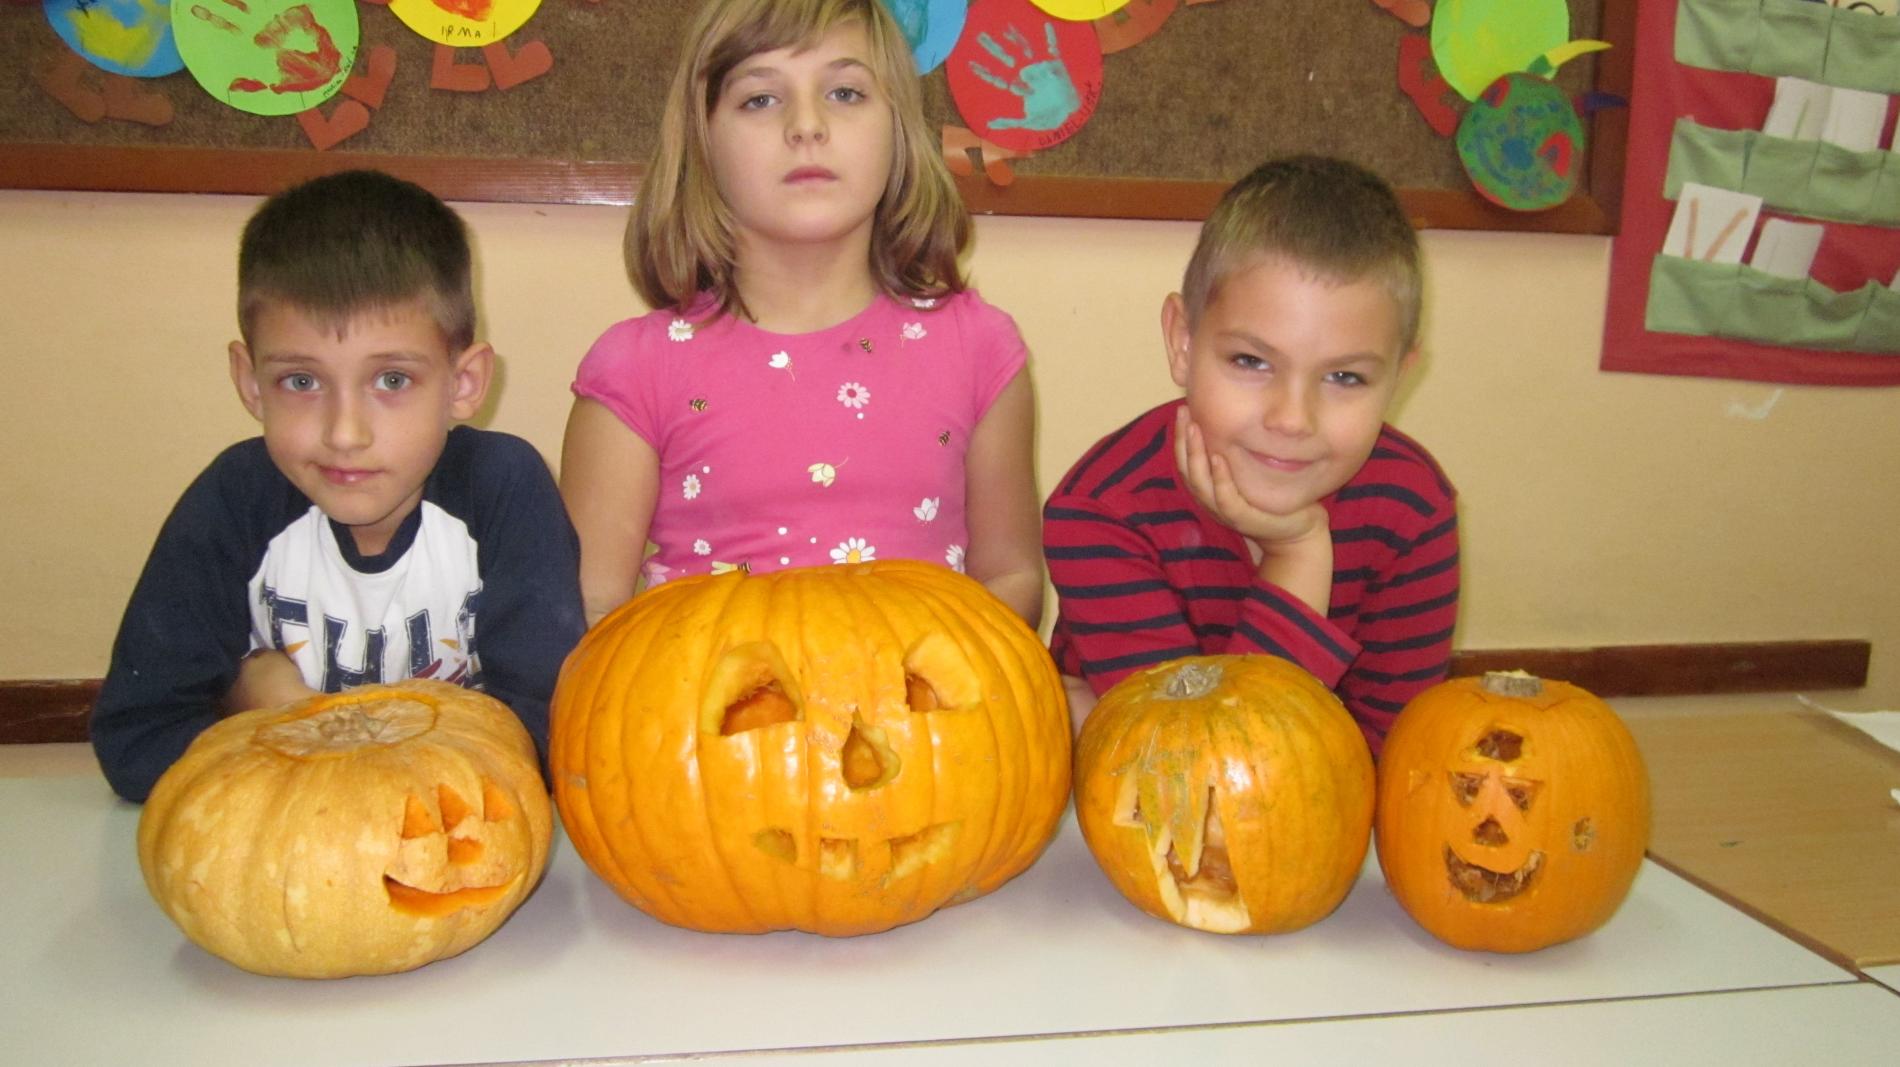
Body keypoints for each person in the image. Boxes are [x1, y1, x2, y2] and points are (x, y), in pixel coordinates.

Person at [91, 170, 586, 802]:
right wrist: (286, 734)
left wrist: (290, 713)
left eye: (392, 380)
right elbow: (136, 741)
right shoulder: (234, 502)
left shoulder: (504, 491)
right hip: (287, 836)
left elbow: (546, 742)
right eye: (301, 382)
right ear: (251, 383)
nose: (345, 434)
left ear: (463, 384)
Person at [560, 0, 1042, 628]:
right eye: (761, 99)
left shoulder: (979, 348)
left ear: (898, 129)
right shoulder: (635, 369)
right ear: (703, 141)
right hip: (708, 686)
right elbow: (592, 613)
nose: (807, 126)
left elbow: (1012, 575)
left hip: (920, 686)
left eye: (845, 93)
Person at [1043, 156, 1459, 754]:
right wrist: (1298, 555)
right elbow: (1194, 760)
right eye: (1252, 361)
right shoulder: (1101, 512)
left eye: (1344, 377)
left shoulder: (1413, 510)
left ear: (1398, 377)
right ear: (1182, 341)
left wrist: (1295, 548)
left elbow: (1388, 757)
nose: (1292, 419)